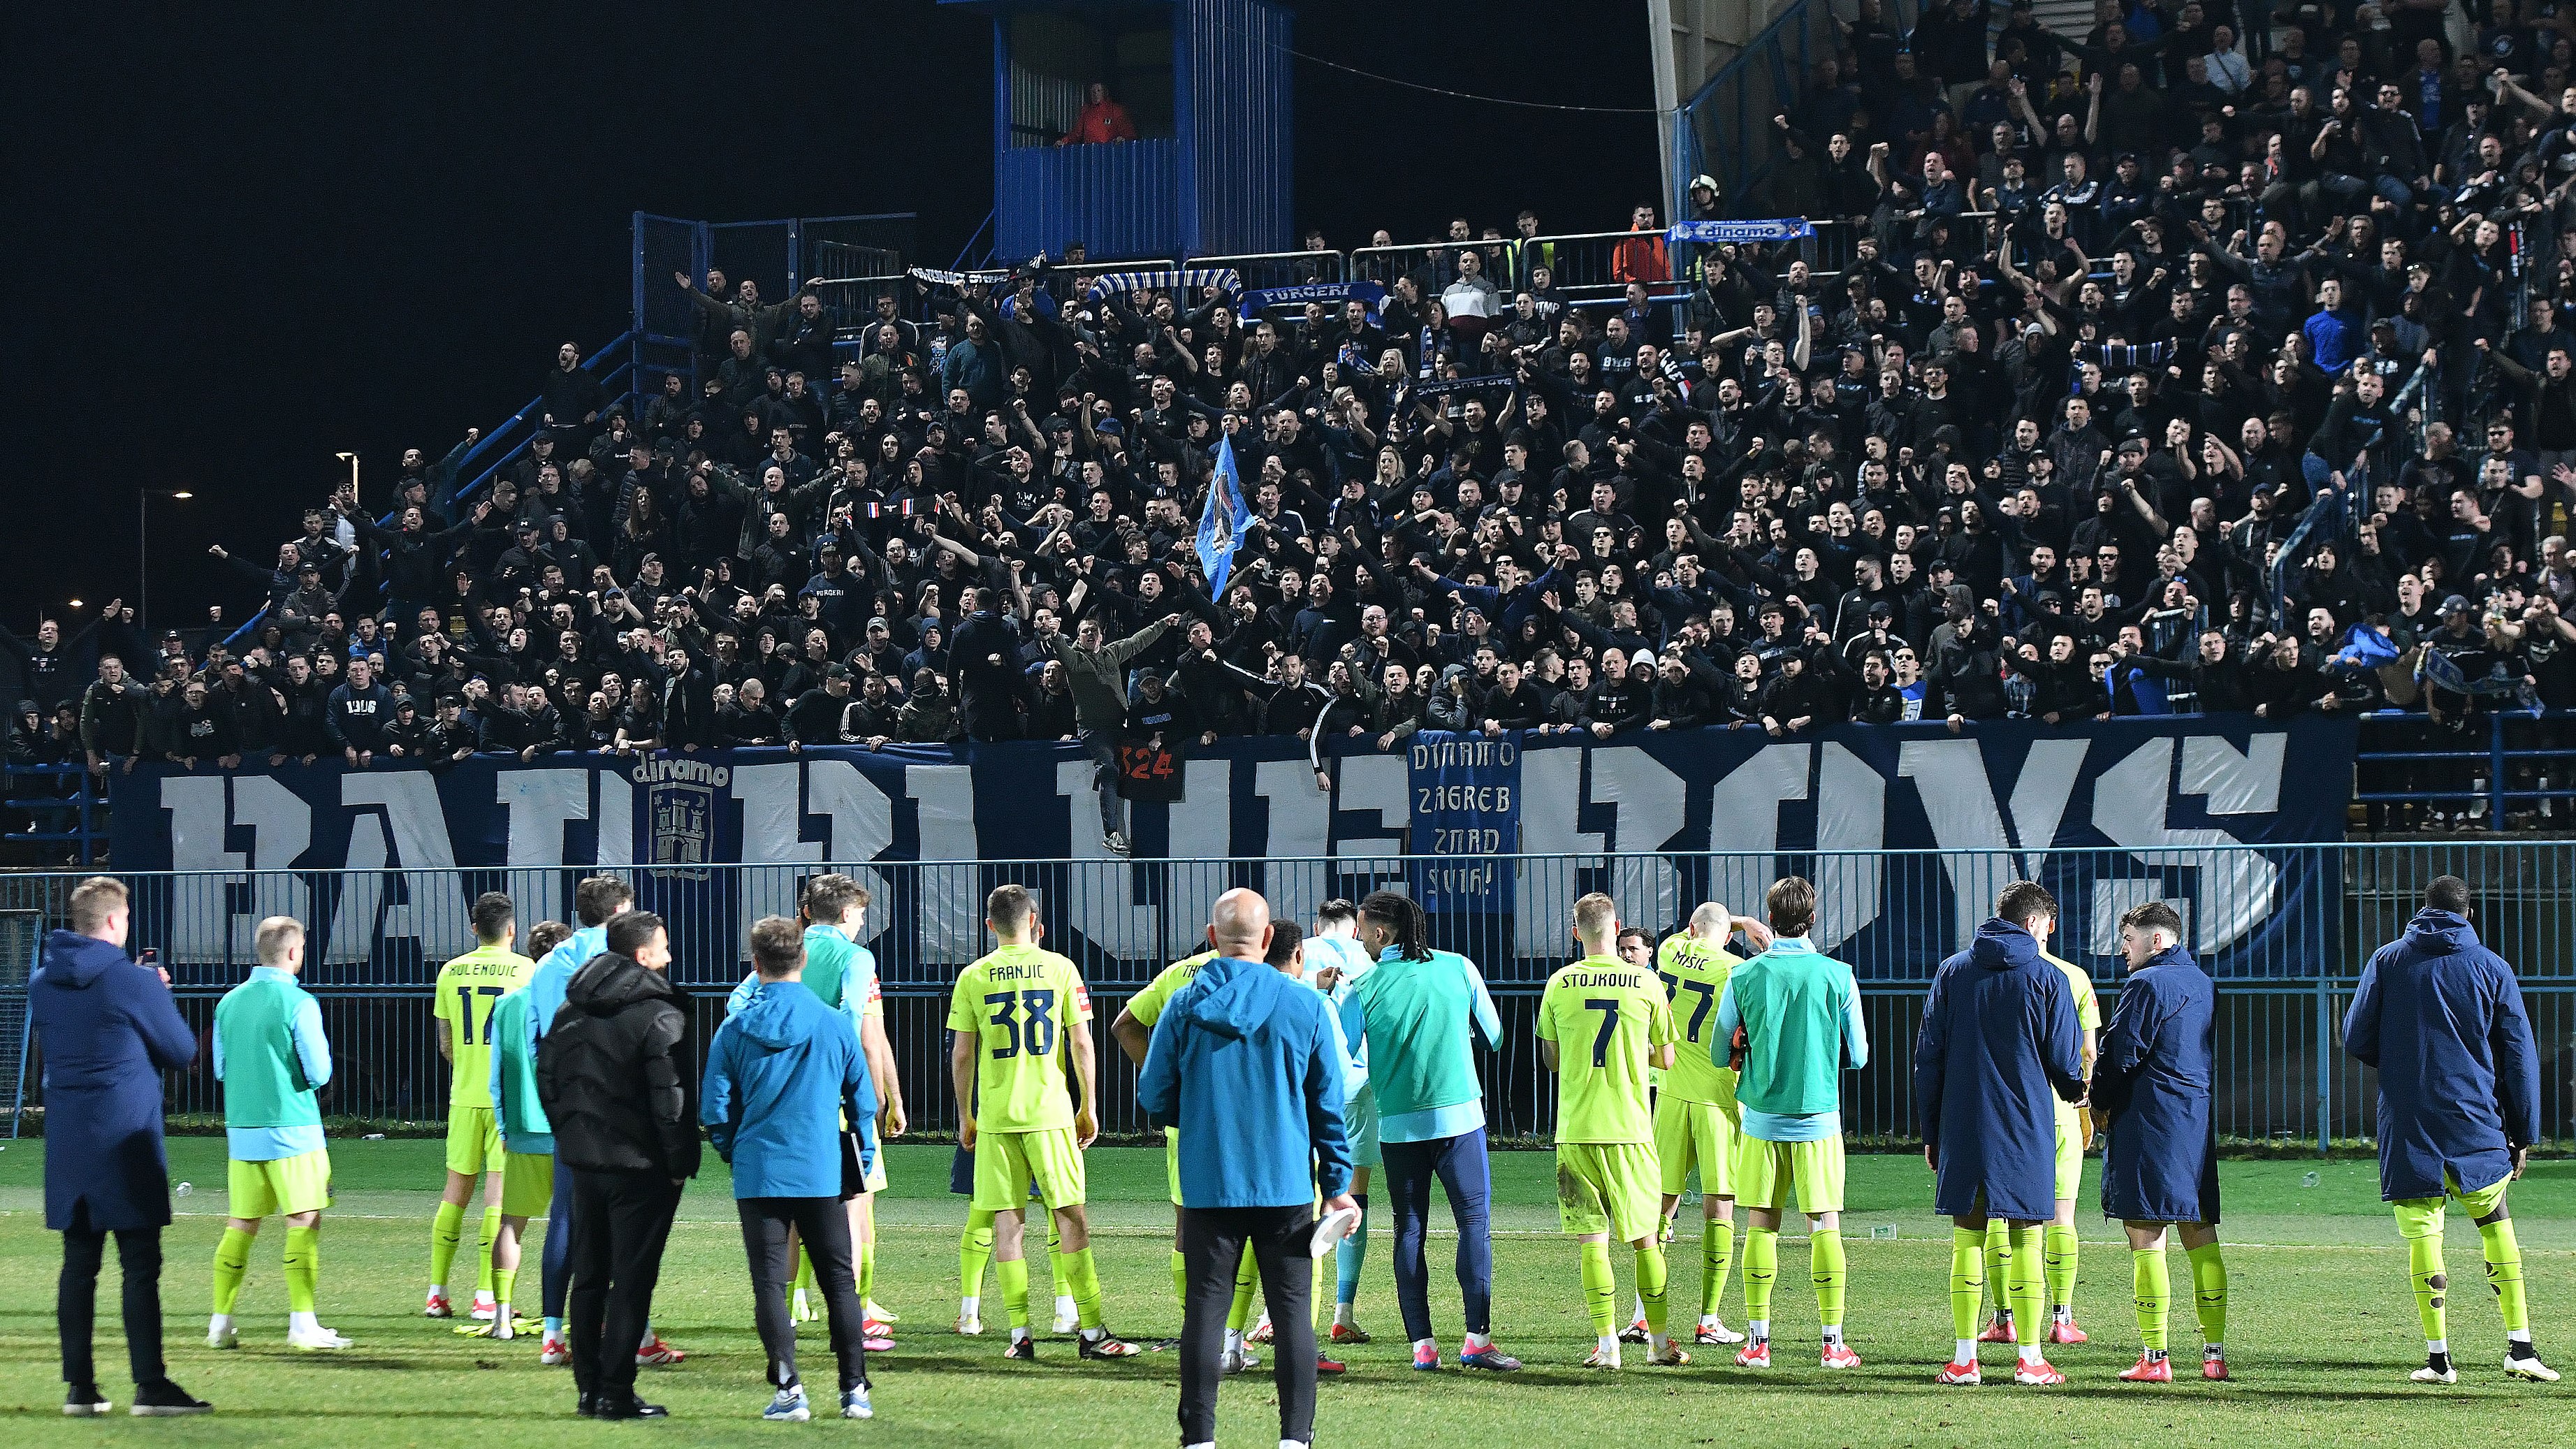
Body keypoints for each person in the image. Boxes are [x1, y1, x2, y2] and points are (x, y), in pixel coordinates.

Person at [1137, 889, 1358, 1449]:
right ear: (1268, 939)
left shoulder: (1184, 1003)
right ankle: (1294, 1438)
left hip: (1210, 1180)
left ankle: (1199, 1438)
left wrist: (1201, 1116)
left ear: (1212, 938)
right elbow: (1327, 1107)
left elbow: (1154, 1095)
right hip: (1284, 1184)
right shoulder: (1305, 1004)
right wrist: (1336, 1186)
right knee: (1291, 1313)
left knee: (1204, 1312)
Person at [2345, 874, 2554, 1384]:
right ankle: (2520, 1348)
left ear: (2422, 909)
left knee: (2424, 1233)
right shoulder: (2491, 967)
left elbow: (2354, 1036)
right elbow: (2518, 1056)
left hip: (2408, 1118)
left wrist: (2400, 1066)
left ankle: (2438, 1360)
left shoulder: (2388, 960)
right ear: (2469, 914)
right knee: (2495, 1221)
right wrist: (2523, 1133)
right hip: (2473, 1116)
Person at [31, 876, 209, 1417]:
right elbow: (180, 1050)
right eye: (126, 917)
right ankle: (150, 1385)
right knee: (139, 1264)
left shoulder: (42, 982)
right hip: (125, 1137)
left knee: (79, 1264)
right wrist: (156, 993)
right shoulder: (134, 982)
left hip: (69, 1140)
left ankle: (80, 1388)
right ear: (114, 920)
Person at [948, 883, 1140, 1360]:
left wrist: (966, 1115)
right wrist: (1088, 1105)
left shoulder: (973, 976)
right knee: (1070, 1217)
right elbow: (1081, 1042)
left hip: (997, 1117)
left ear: (989, 925)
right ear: (1034, 922)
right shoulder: (1060, 968)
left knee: (1007, 1223)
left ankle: (1020, 1335)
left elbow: (962, 1054)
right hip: (1050, 1114)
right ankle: (1091, 1332)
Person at [702, 916, 880, 1422]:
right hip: (820, 1167)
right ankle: (854, 1390)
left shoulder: (735, 1027)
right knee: (839, 1281)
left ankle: (789, 1390)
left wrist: (732, 1150)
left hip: (760, 1169)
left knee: (769, 1284)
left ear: (756, 963)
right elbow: (863, 1102)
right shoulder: (832, 1023)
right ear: (802, 959)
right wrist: (863, 1158)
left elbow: (715, 1106)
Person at [1914, 881, 2088, 1387]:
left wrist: (1931, 1130)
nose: (2048, 934)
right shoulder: (2049, 977)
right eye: (2047, 925)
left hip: (1963, 1124)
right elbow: (2064, 1062)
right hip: (2025, 1126)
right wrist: (2079, 1091)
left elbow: (1928, 1057)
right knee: (2027, 1240)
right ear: (2033, 923)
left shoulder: (1953, 971)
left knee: (1967, 1237)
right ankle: (2030, 1359)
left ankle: (1964, 1359)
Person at [725, 875, 908, 1344]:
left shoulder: (789, 951)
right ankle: (857, 1313)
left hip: (782, 1098)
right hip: (833, 1097)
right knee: (855, 1209)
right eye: (860, 914)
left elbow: (736, 1005)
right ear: (847, 914)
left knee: (788, 1212)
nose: (861, 921)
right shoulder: (856, 957)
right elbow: (854, 1020)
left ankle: (787, 1309)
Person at [1344, 889, 1520, 1371]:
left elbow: (1340, 1051)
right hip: (1460, 1120)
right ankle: (1477, 1341)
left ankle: (1422, 1347)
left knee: (1408, 1229)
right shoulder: (1458, 967)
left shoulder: (1362, 986)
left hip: (1399, 1127)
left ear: (1382, 934)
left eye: (1362, 932)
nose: (1359, 940)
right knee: (1473, 1226)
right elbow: (1494, 1036)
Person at [538, 910, 701, 1420]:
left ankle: (589, 1390)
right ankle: (615, 1391)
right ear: (642, 955)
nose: (669, 957)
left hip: (585, 1163)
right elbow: (671, 1101)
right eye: (664, 947)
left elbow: (548, 1079)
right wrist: (679, 1162)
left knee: (589, 1276)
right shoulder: (659, 1015)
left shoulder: (570, 1010)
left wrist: (571, 1138)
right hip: (641, 1168)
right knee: (631, 1281)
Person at [1712, 875, 1867, 1369]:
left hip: (1761, 1122)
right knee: (1824, 1226)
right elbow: (1859, 1056)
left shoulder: (1744, 975)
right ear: (1812, 920)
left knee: (1761, 1225)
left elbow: (1718, 1053)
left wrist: (1747, 1044)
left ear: (1770, 920)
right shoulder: (1838, 975)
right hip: (1818, 1120)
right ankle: (1832, 1344)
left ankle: (1758, 1343)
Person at [518, 874, 664, 1367]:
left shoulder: (546, 965)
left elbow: (534, 1038)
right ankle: (636, 1337)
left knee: (565, 1215)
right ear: (621, 909)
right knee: (629, 1218)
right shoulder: (628, 956)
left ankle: (552, 1337)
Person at [1537, 893, 1680, 1369]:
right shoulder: (1646, 982)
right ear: (1616, 929)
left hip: (1576, 1129)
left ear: (1575, 932)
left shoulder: (1559, 983)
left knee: (1592, 1240)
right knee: (1646, 1240)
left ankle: (1606, 1346)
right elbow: (1666, 1058)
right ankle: (1659, 1344)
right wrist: (1632, 1052)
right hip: (1631, 1129)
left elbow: (1551, 1059)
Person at [2092, 900, 2229, 1383]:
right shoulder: (2202, 982)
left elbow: (2120, 1051)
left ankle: (2155, 1358)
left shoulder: (2146, 983)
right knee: (2200, 1233)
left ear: (2155, 940)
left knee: (2146, 1235)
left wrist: (2099, 1101)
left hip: (2149, 1121)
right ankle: (2213, 1355)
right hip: (2194, 1122)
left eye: (2127, 940)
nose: (2122, 951)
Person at [209, 915, 349, 1353]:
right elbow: (320, 1071)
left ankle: (220, 1322)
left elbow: (220, 1069)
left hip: (242, 1132)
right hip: (294, 1131)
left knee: (241, 1224)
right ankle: (302, 1324)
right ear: (293, 952)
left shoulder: (228, 1003)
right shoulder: (299, 1002)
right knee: (303, 1221)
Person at [1639, 900, 1771, 1347]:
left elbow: (1698, 928)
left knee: (1661, 1203)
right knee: (1720, 1205)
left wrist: (1731, 921)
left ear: (1693, 929)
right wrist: (1749, 925)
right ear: (1729, 936)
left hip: (1671, 1094)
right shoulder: (1736, 969)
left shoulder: (1670, 951)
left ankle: (1644, 1316)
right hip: (1717, 1098)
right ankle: (1709, 1318)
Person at [425, 891, 538, 1325]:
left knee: (455, 1192)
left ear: (474, 929)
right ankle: (485, 1295)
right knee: (498, 1198)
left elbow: (446, 1043)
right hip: (506, 1100)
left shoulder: (450, 971)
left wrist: (470, 1068)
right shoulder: (526, 970)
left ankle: (437, 1292)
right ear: (512, 929)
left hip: (464, 1098)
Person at [486, 919, 568, 1360]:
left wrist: (504, 1127)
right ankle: (582, 1318)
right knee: (584, 1226)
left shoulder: (507, 1006)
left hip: (523, 1129)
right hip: (568, 1132)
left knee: (511, 1224)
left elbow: (496, 1076)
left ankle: (501, 1316)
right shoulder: (571, 1002)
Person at [1304, 899, 1381, 1344]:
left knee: (1298, 1195)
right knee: (1354, 1196)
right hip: (1355, 1085)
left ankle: (1275, 1312)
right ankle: (1342, 1313)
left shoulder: (1298, 954)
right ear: (1356, 930)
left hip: (1303, 1086)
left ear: (1318, 926)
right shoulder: (1368, 959)